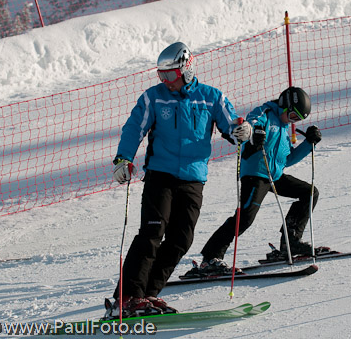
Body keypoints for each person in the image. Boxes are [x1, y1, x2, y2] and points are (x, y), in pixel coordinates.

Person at [103, 42, 252, 319]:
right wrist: (123, 159)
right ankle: (126, 298)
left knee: (181, 239)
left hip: (193, 179)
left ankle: (148, 294)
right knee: (151, 234)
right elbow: (134, 128)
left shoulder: (211, 97)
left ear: (186, 69)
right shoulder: (153, 98)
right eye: (161, 75)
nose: (165, 81)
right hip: (160, 175)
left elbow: (232, 128)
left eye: (169, 75)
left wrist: (242, 130)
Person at [189, 86, 322, 276]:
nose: (293, 122)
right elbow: (250, 125)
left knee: (309, 193)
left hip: (274, 175)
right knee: (245, 217)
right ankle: (210, 258)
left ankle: (290, 243)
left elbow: (288, 159)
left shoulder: (284, 128)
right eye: (293, 116)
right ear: (284, 105)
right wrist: (255, 133)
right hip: (256, 174)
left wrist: (309, 143)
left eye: (298, 120)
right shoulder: (265, 113)